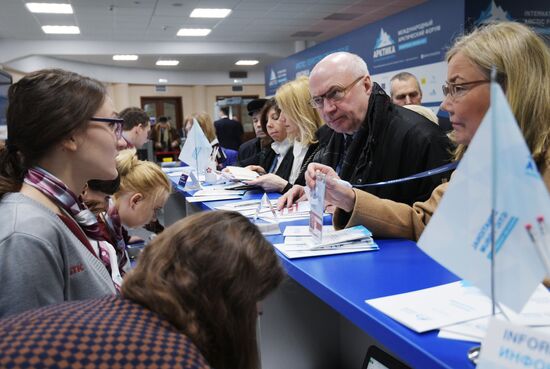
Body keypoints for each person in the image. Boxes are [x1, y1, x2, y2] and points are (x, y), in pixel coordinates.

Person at [303, 22, 550, 244]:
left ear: (509, 89)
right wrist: (349, 198)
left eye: (459, 88)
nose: (444, 105)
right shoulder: (483, 159)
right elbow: (423, 221)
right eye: (447, 89)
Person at [0, 211, 285, 369]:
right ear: (229, 300)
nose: (257, 312)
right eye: (255, 303)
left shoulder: (104, 312)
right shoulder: (172, 358)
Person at [0, 68, 125, 318]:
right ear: (70, 136)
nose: (120, 141)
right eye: (112, 125)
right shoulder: (27, 234)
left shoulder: (61, 210)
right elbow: (34, 352)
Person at [278, 51, 453, 209]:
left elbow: (430, 222)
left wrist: (351, 205)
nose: (327, 109)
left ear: (367, 85)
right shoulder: (330, 136)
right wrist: (308, 192)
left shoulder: (421, 138)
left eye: (336, 93)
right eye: (318, 100)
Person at [91, 149, 171, 276]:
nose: (154, 218)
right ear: (135, 201)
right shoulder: (101, 235)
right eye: (155, 209)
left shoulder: (111, 223)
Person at [246, 76, 324, 193]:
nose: (282, 118)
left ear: (301, 111)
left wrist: (282, 186)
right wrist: (264, 176)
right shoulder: (296, 144)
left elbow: (320, 199)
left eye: (285, 111)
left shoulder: (325, 147)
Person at [247, 98, 293, 180]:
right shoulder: (273, 148)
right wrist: (264, 174)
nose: (268, 125)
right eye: (266, 120)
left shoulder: (297, 149)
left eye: (275, 117)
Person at [237, 98, 270, 166]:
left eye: (264, 120)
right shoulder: (245, 148)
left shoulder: (279, 149)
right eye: (255, 121)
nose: (259, 125)